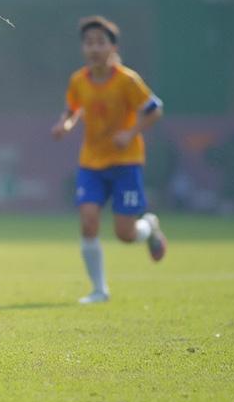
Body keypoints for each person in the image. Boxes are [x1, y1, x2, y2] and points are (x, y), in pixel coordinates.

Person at [51, 16, 167, 304]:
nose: (94, 48)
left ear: (112, 46)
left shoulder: (127, 80)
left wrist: (130, 133)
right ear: (83, 49)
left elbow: (155, 109)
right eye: (89, 43)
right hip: (91, 162)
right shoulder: (78, 80)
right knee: (88, 222)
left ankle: (149, 226)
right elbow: (72, 109)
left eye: (100, 42)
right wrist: (64, 125)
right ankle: (99, 290)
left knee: (125, 234)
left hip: (126, 163)